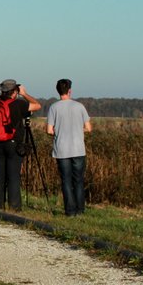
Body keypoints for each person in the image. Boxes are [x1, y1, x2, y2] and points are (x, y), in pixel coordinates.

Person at [0, 80, 41, 211]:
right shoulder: (18, 104)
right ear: (14, 92)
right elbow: (37, 105)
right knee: (13, 175)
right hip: (14, 143)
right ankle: (14, 206)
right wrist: (24, 94)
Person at [46, 79, 92, 216]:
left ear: (58, 91)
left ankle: (70, 211)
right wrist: (78, 129)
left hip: (61, 150)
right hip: (78, 149)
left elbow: (49, 130)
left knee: (66, 180)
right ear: (70, 90)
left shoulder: (54, 107)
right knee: (78, 180)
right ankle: (80, 210)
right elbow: (88, 128)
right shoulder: (80, 106)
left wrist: (59, 130)